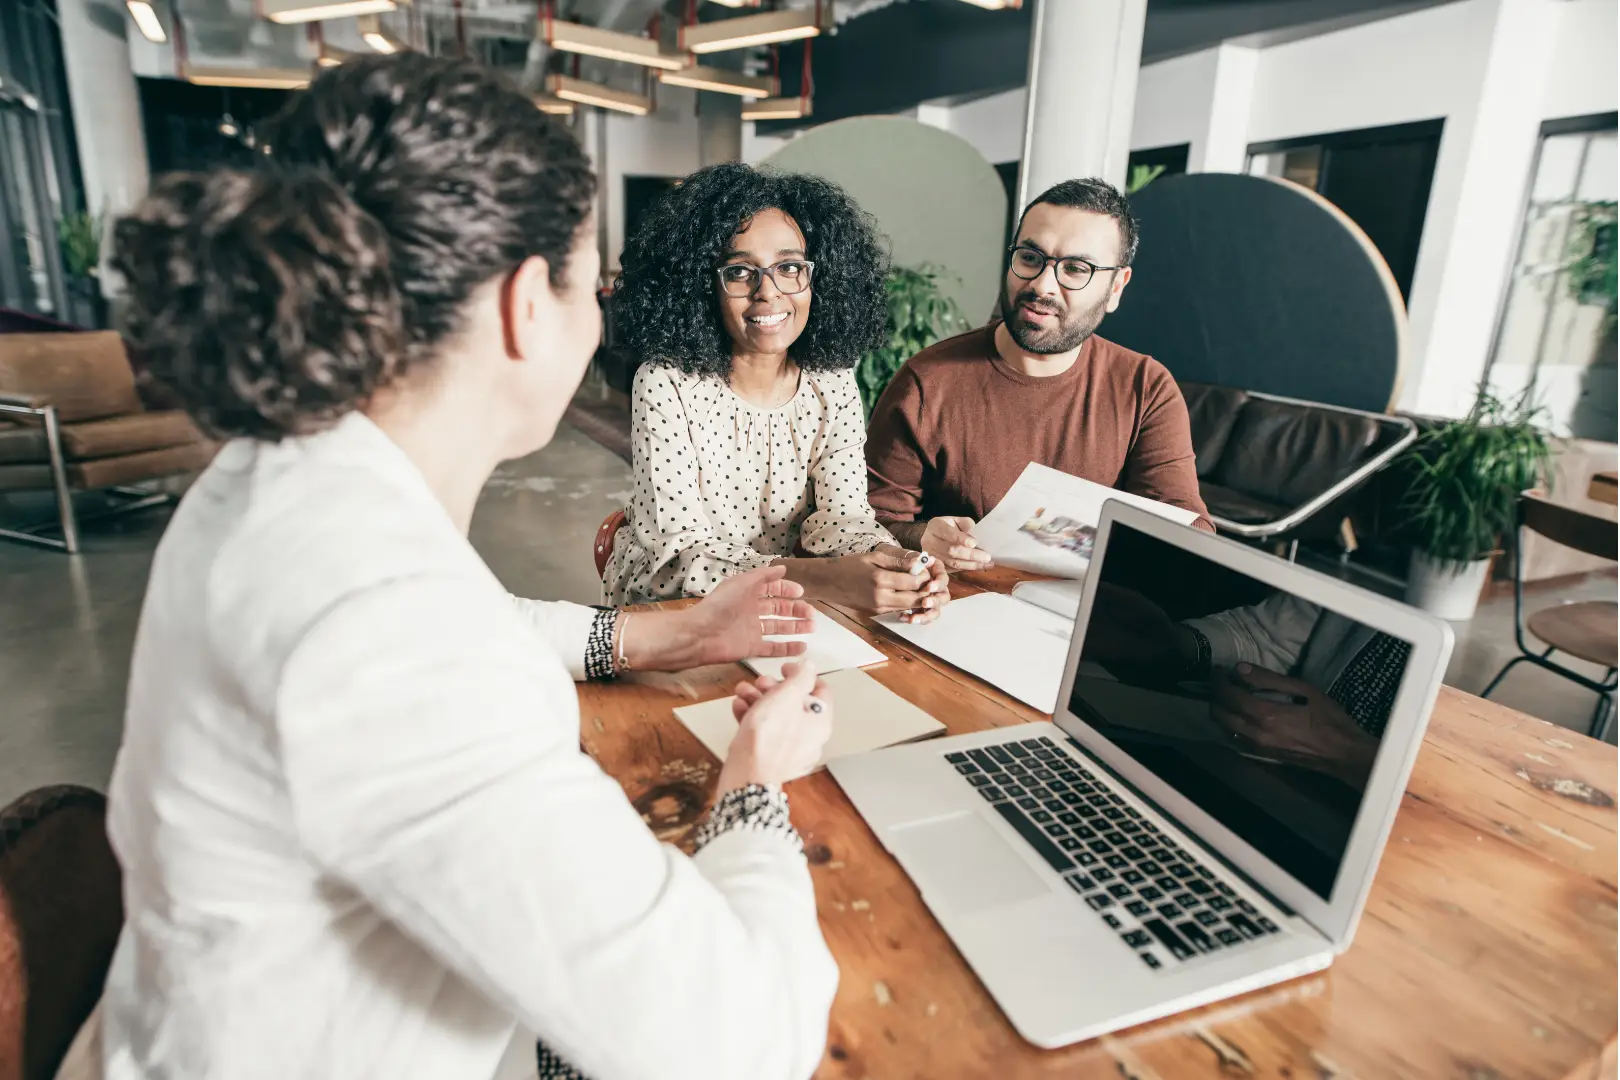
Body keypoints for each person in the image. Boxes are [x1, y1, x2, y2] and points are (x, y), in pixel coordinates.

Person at [102, 54, 841, 1080]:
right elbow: (741, 1040)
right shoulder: (378, 626)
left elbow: (464, 622)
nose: (598, 324)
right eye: (592, 282)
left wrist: (668, 632)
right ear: (524, 305)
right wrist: (755, 780)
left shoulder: (284, 475)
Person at [604, 162, 949, 621]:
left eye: (789, 267)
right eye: (740, 271)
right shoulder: (666, 382)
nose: (768, 292)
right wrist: (820, 578)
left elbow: (842, 520)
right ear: (703, 285)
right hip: (678, 607)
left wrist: (896, 566)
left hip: (795, 601)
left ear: (818, 279)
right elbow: (679, 556)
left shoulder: (833, 380)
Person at [865, 178, 1211, 572]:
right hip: (953, 605)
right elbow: (866, 525)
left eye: (1076, 269)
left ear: (1116, 287)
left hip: (1087, 613)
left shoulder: (1146, 388)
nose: (1042, 285)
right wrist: (923, 537)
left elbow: (1189, 534)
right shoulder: (927, 382)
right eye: (1030, 258)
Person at [1085, 583, 1410, 788]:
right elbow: (1267, 636)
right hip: (1273, 783)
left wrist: (1349, 754)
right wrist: (1174, 645)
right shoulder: (1412, 527)